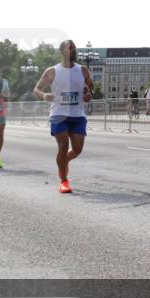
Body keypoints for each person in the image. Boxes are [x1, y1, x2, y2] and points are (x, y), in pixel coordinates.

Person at [34, 40, 93, 194]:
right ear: (62, 51)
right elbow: (37, 89)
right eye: (70, 47)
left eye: (74, 47)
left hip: (77, 114)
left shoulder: (83, 70)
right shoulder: (52, 71)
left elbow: (89, 89)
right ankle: (64, 180)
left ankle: (63, 161)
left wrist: (88, 95)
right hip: (58, 114)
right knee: (63, 145)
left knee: (78, 149)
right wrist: (44, 95)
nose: (74, 50)